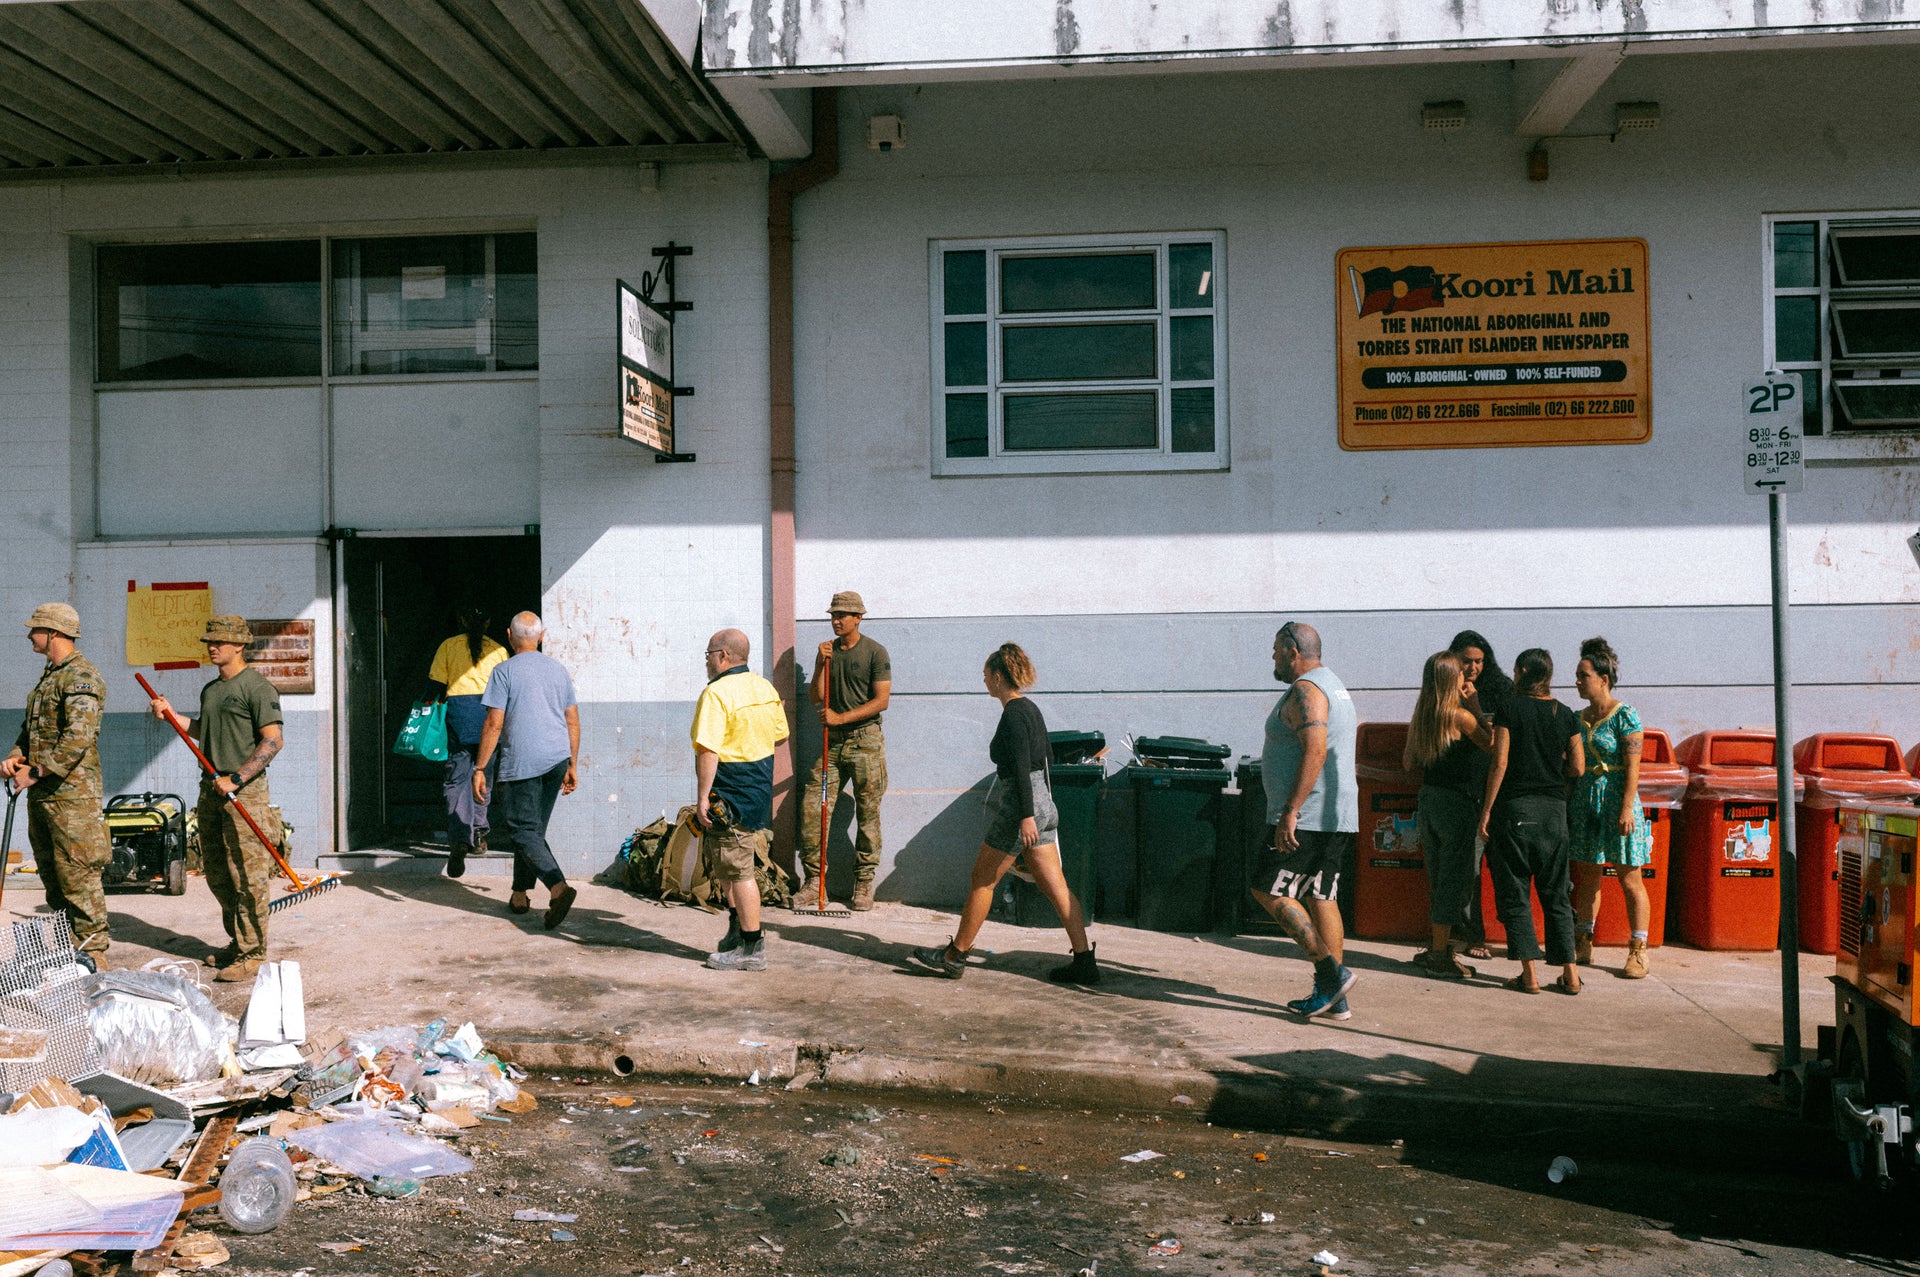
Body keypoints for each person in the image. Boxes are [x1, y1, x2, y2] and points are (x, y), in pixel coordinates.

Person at [909, 644, 1097, 984]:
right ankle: (1085, 961)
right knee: (1057, 887)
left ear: (998, 677)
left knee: (982, 879)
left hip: (1020, 808)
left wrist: (1025, 815)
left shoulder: (1012, 714)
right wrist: (1037, 811)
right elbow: (1046, 760)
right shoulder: (1032, 709)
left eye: (985, 676)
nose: (983, 682)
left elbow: (1023, 766)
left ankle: (954, 956)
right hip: (1043, 803)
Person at [148, 616, 284, 982]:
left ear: (239, 645)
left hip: (244, 791)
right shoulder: (211, 690)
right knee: (219, 875)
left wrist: (237, 777)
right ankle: (238, 944)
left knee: (247, 875)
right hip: (210, 789)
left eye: (220, 641)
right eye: (209, 640)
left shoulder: (257, 687)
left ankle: (254, 953)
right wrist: (171, 715)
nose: (212, 646)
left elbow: (272, 740)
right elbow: (200, 731)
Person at [1250, 622, 1359, 1019]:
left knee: (1268, 888)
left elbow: (1315, 751)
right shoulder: (1335, 686)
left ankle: (1331, 975)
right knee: (1321, 895)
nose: (1273, 658)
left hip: (1308, 815)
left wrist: (1290, 812)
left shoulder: (1305, 690)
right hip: (1337, 813)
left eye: (1276, 651)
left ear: (1292, 651)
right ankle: (1336, 999)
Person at [2, 604, 112, 967]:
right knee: (52, 873)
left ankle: (93, 954)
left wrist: (34, 773)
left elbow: (77, 737)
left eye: (35, 629)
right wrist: (16, 756)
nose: (29, 635)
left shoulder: (81, 676)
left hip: (72, 797)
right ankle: (71, 949)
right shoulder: (49, 677)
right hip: (45, 795)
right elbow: (31, 732)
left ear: (53, 633)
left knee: (77, 874)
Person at [1476, 647, 1585, 995]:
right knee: (1557, 894)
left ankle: (1530, 976)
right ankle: (1570, 974)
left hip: (1516, 811)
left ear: (1522, 671)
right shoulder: (1566, 714)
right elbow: (1578, 767)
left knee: (1517, 893)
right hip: (1555, 814)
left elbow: (1500, 761)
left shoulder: (1510, 708)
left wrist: (1487, 810)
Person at [691, 628, 790, 971]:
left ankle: (752, 947)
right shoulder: (764, 688)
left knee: (740, 870)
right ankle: (737, 927)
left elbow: (708, 750)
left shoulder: (716, 694)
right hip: (757, 786)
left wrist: (702, 797)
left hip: (730, 788)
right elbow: (780, 735)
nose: (706, 661)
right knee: (728, 865)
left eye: (708, 654)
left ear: (723, 655)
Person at [473, 613, 579, 929]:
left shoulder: (503, 671)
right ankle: (520, 894)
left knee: (522, 829)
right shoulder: (558, 671)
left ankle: (558, 888)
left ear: (508, 635)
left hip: (523, 762)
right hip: (557, 758)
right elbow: (572, 719)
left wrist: (480, 767)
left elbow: (494, 722)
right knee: (533, 831)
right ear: (541, 636)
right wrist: (572, 763)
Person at [797, 591, 891, 911]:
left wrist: (841, 716)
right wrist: (821, 664)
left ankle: (863, 884)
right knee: (815, 808)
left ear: (858, 618)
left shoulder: (876, 652)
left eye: (843, 615)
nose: (836, 621)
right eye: (833, 615)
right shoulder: (827, 651)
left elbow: (881, 702)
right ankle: (814, 882)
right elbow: (816, 697)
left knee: (868, 814)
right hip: (833, 743)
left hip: (866, 742)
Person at [1569, 636, 1654, 980]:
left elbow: (1634, 766)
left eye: (1583, 675)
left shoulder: (1625, 715)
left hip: (1619, 801)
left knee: (1629, 877)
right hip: (1587, 801)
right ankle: (1582, 941)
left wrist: (1626, 808)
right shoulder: (1577, 718)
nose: (1577, 681)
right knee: (1588, 876)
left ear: (1603, 679)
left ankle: (1638, 950)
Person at [1403, 650, 1490, 979]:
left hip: (1429, 800)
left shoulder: (1423, 714)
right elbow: (1496, 746)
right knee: (1453, 881)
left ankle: (1437, 948)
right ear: (1449, 679)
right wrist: (1478, 710)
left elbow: (1408, 763)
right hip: (1457, 803)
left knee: (1439, 877)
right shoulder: (1461, 717)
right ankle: (1441, 955)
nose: (1466, 676)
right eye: (1459, 672)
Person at [426, 605, 507, 878]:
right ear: (488, 623)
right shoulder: (499, 651)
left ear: (461, 620)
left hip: (458, 717)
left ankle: (460, 839)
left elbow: (434, 687)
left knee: (457, 779)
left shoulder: (448, 646)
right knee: (483, 776)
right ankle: (480, 834)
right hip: (489, 718)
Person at [1448, 630, 1512, 960]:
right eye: (1466, 661)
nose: (1473, 668)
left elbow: (1499, 743)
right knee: (1465, 869)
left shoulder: (1500, 689)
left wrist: (1474, 706)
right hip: (1455, 787)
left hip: (1493, 789)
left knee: (1500, 868)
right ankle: (1471, 932)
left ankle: (1514, 935)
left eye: (1479, 662)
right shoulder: (1443, 689)